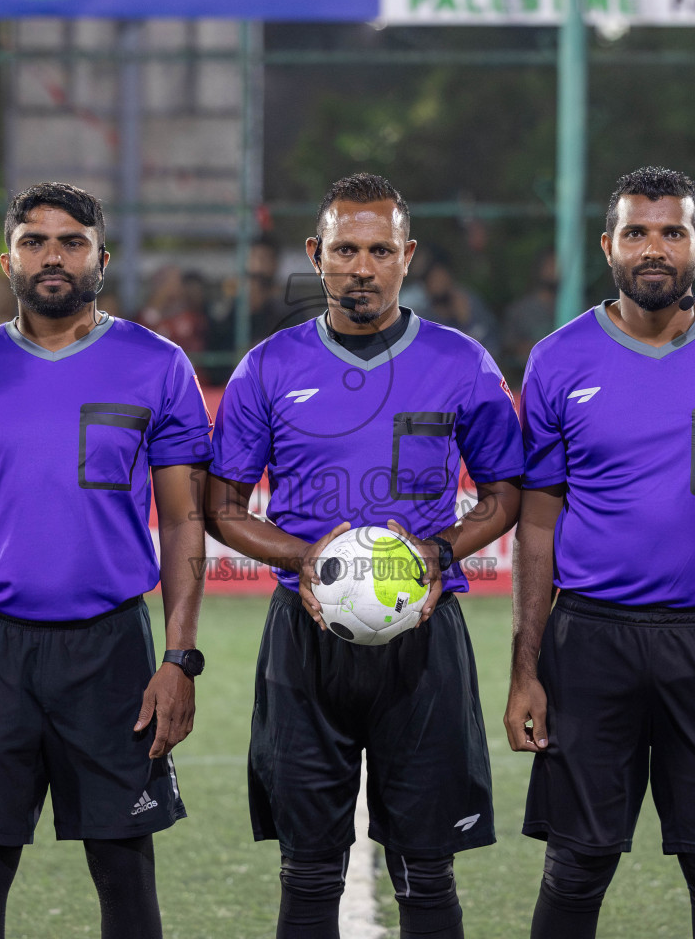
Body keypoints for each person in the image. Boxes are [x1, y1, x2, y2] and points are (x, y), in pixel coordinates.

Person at [205, 173, 523, 939]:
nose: (362, 265)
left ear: (407, 256)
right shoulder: (268, 368)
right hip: (305, 637)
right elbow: (219, 506)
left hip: (425, 641)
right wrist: (302, 558)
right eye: (345, 248)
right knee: (308, 872)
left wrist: (440, 552)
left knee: (426, 871)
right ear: (316, 255)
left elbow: (505, 495)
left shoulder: (462, 363)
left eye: (380, 249)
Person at [0, 182, 210, 939]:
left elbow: (183, 519)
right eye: (35, 241)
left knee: (124, 873)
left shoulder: (158, 365)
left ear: (102, 258)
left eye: (72, 241)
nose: (53, 256)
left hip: (112, 651)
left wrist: (179, 657)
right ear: (8, 258)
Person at [507, 166, 695, 939]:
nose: (654, 248)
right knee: (576, 865)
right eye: (637, 231)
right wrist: (525, 668)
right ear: (608, 246)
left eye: (672, 232)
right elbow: (536, 525)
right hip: (591, 639)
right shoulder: (556, 360)